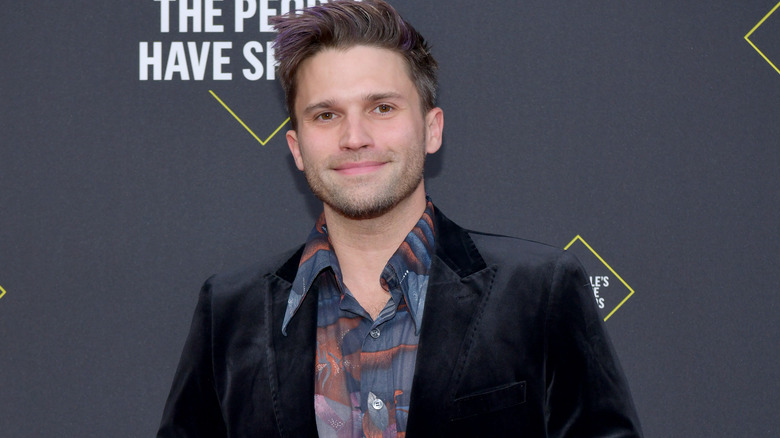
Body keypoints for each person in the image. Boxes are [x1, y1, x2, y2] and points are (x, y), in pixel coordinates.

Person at [157, 1, 643, 436]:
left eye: (382, 108)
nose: (355, 136)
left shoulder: (539, 291)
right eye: (325, 115)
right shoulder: (231, 311)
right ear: (296, 148)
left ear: (432, 129)